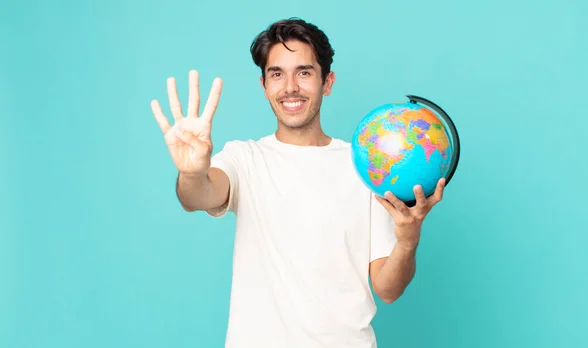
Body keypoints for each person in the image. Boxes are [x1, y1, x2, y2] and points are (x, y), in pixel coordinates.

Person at [150, 17, 445, 348]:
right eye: (277, 74)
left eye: (303, 72)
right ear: (264, 86)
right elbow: (198, 195)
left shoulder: (365, 167)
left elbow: (388, 289)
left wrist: (407, 241)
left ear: (327, 82)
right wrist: (191, 172)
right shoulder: (245, 159)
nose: (290, 86)